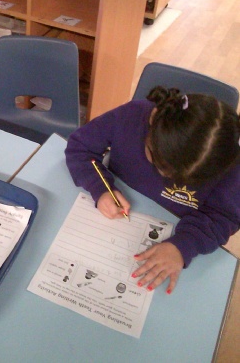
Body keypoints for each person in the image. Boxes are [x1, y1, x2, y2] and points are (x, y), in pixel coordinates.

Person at [65, 86, 240, 294]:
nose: (164, 176)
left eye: (182, 179)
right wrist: (100, 187)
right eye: (156, 160)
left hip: (174, 231)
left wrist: (183, 245)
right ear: (153, 118)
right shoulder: (132, 116)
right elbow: (80, 148)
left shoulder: (232, 166)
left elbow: (223, 217)